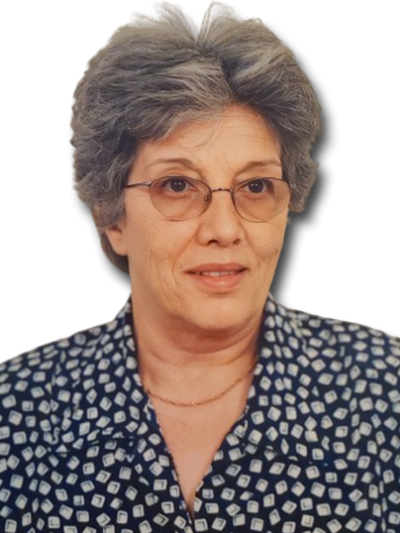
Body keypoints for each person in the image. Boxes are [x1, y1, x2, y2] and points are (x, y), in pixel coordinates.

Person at [1, 1, 399, 532]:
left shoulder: (386, 394)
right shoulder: (15, 413)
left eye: (255, 186)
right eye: (178, 185)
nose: (225, 228)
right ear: (113, 216)